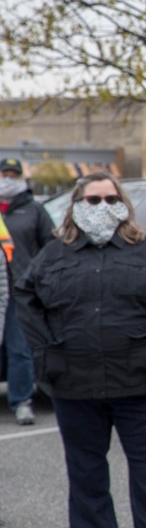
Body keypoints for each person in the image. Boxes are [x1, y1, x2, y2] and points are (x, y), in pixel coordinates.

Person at [14, 171, 146, 528]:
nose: (102, 206)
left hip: (142, 384)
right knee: (85, 476)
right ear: (76, 206)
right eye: (93, 200)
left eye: (111, 199)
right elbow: (26, 296)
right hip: (75, 386)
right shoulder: (55, 253)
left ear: (123, 204)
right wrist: (46, 350)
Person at [0, 157, 53, 425]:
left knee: (19, 348)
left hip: (20, 291)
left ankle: (21, 400)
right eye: (4, 173)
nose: (8, 178)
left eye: (13, 174)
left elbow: (51, 247)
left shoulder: (34, 210)